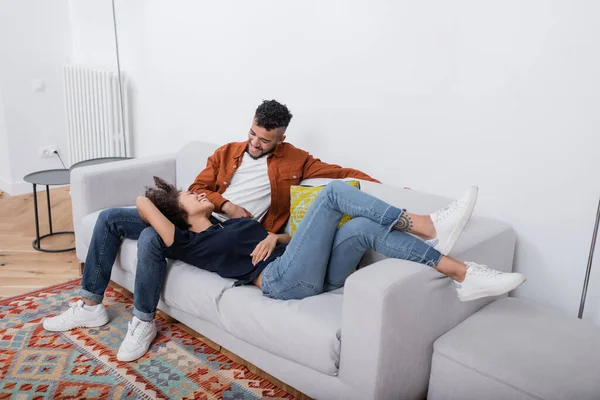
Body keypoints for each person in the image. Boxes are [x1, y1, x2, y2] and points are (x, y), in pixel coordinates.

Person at [43, 100, 379, 362]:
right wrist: (226, 205)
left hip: (229, 234)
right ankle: (90, 304)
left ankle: (143, 322)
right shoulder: (226, 153)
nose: (255, 143)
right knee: (109, 219)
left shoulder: (297, 161)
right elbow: (198, 186)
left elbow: (341, 173)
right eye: (252, 133)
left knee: (149, 237)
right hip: (199, 216)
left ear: (281, 138)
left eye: (264, 140)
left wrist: (386, 189)